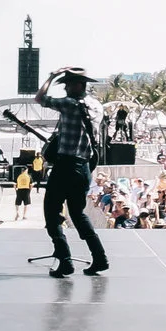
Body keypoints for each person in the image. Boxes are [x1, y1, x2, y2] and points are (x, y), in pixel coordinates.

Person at [30, 68, 109, 278]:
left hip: (65, 166)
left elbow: (40, 98)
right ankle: (100, 257)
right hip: (84, 167)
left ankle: (65, 260)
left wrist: (51, 76)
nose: (65, 88)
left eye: (67, 84)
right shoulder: (96, 106)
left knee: (51, 212)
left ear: (78, 85)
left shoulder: (69, 104)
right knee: (78, 213)